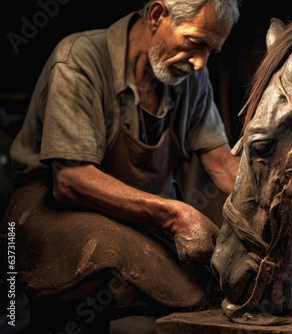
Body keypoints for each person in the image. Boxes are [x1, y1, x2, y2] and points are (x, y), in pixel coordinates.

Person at [2, 0, 241, 332]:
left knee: (209, 282)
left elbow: (222, 165)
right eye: (195, 43)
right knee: (101, 257)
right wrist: (176, 215)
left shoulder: (190, 75)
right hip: (53, 204)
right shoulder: (79, 58)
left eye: (211, 51)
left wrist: (272, 203)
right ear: (158, 16)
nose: (201, 63)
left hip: (145, 215)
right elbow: (70, 180)